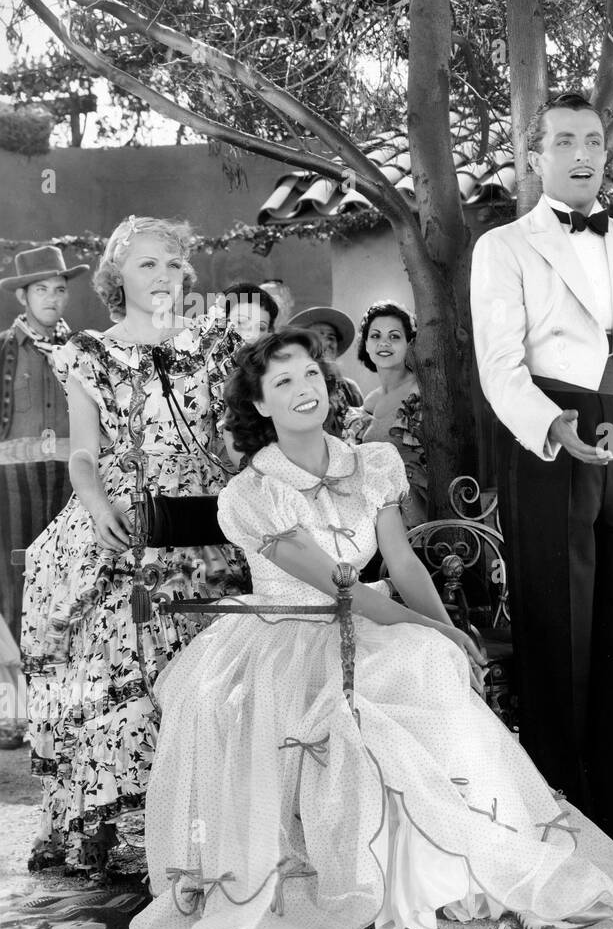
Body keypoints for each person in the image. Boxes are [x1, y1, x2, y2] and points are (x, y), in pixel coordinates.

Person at [129, 329, 613, 929]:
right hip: (284, 634)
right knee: (369, 690)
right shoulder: (253, 494)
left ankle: (457, 869)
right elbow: (340, 590)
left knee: (429, 663)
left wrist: (451, 639)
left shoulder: (371, 463)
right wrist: (440, 631)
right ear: (260, 406)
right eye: (282, 383)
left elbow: (400, 563)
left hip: (371, 621)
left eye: (310, 375)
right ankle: (356, 879)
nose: (303, 390)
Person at [471, 92, 613, 871]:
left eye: (593, 140)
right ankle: (562, 843)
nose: (582, 154)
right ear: (535, 157)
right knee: (561, 637)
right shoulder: (505, 246)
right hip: (552, 428)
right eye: (564, 141)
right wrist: (552, 427)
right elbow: (499, 363)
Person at [22, 216, 245, 873]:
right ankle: (121, 825)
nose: (165, 276)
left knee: (204, 662)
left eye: (174, 264)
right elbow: (83, 457)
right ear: (116, 277)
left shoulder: (212, 347)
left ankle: (199, 819)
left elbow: (232, 441)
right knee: (108, 632)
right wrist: (97, 507)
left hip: (197, 517)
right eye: (147, 265)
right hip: (119, 515)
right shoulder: (87, 353)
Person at [0, 246, 82, 747]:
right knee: (13, 588)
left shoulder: (86, 350)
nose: (52, 298)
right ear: (24, 296)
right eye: (41, 289)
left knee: (71, 587)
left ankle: (66, 707)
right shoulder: (3, 349)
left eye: (59, 288)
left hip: (74, 483)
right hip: (13, 483)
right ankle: (14, 710)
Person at [343, 301, 425, 524]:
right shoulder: (370, 400)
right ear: (366, 344)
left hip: (412, 517)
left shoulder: (419, 393)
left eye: (395, 336)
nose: (384, 343)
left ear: (409, 343)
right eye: (376, 336)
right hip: (371, 517)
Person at [289, 305, 365, 416]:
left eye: (331, 337)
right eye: (318, 336)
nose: (326, 343)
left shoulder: (350, 389)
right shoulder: (291, 386)